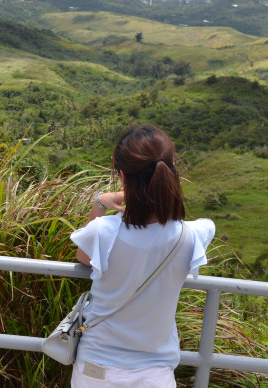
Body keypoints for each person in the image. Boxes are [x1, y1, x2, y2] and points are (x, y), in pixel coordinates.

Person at [70, 125, 215, 387]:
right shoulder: (192, 235)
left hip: (96, 368)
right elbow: (207, 225)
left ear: (123, 177)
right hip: (155, 374)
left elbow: (84, 256)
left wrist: (100, 202)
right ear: (171, 172)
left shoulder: (104, 232)